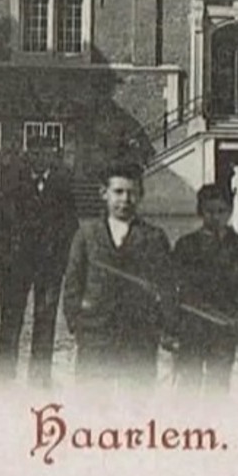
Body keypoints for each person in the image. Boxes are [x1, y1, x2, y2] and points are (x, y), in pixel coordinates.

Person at [60, 162, 175, 388]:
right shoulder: (87, 235)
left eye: (132, 193)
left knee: (137, 403)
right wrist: (77, 322)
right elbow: (73, 282)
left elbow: (167, 285)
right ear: (104, 193)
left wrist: (166, 326)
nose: (125, 199)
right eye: (118, 192)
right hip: (96, 335)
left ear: (141, 195)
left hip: (139, 337)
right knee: (92, 402)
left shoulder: (154, 237)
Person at [0, 135, 78, 387]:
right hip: (15, 265)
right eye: (35, 153)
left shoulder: (63, 186)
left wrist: (65, 261)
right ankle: (4, 377)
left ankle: (39, 378)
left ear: (53, 156)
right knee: (10, 319)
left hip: (48, 268)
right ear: (29, 155)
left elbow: (70, 227)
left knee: (45, 320)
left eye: (46, 153)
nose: (40, 158)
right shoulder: (12, 182)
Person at [171, 184, 238, 393]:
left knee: (219, 385)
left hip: (224, 329)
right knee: (188, 385)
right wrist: (171, 329)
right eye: (210, 211)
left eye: (221, 211)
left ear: (230, 212)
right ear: (200, 212)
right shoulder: (186, 246)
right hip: (191, 328)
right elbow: (172, 289)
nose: (216, 217)